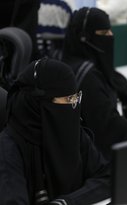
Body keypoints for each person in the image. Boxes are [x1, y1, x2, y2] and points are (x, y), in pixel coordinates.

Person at [0, 58, 110, 204]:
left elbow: (107, 177)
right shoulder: (8, 148)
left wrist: (67, 202)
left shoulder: (72, 131)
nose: (74, 106)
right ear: (41, 104)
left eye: (76, 98)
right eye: (68, 99)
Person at [62, 7, 127, 160]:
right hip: (92, 161)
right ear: (84, 38)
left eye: (110, 31)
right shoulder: (87, 77)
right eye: (104, 33)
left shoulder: (77, 63)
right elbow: (108, 126)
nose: (110, 36)